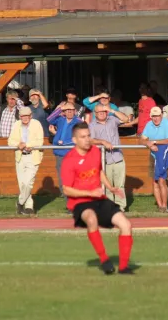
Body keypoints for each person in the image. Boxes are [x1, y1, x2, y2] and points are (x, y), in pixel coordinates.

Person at [61, 122, 134, 275]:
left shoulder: (94, 151)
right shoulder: (69, 160)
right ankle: (104, 260)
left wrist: (110, 187)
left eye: (88, 136)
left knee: (126, 225)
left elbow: (99, 171)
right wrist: (90, 194)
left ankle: (123, 268)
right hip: (80, 202)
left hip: (99, 199)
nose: (87, 139)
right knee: (92, 219)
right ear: (74, 140)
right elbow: (67, 189)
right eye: (83, 137)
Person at [89, 104, 129, 211]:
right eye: (99, 112)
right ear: (95, 113)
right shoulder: (92, 125)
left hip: (118, 157)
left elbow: (126, 119)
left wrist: (111, 110)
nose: (102, 113)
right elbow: (90, 140)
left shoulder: (112, 119)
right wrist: (102, 141)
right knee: (107, 186)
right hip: (104, 159)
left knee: (120, 185)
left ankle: (120, 207)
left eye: (104, 111)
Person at [8, 106, 44, 215]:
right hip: (20, 156)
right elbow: (10, 141)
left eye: (27, 116)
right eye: (23, 116)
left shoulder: (36, 124)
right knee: (22, 184)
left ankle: (20, 202)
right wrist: (18, 144)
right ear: (20, 117)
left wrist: (27, 145)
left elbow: (40, 141)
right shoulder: (16, 124)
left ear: (31, 116)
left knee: (29, 182)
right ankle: (28, 207)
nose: (25, 118)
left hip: (33, 156)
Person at [140, 106, 168, 213]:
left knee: (161, 180)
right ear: (151, 117)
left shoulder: (167, 123)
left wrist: (154, 142)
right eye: (154, 116)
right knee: (155, 181)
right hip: (153, 155)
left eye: (158, 116)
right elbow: (141, 140)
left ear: (161, 116)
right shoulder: (148, 125)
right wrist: (149, 144)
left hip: (167, 155)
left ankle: (165, 206)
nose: (156, 118)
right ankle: (160, 207)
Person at [47, 102, 82, 199]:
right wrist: (59, 109)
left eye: (71, 110)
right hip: (59, 153)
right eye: (67, 110)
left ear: (75, 111)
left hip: (72, 154)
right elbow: (49, 119)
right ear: (64, 112)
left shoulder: (78, 121)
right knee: (62, 178)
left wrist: (65, 143)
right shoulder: (60, 119)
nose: (69, 112)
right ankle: (68, 199)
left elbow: (83, 129)